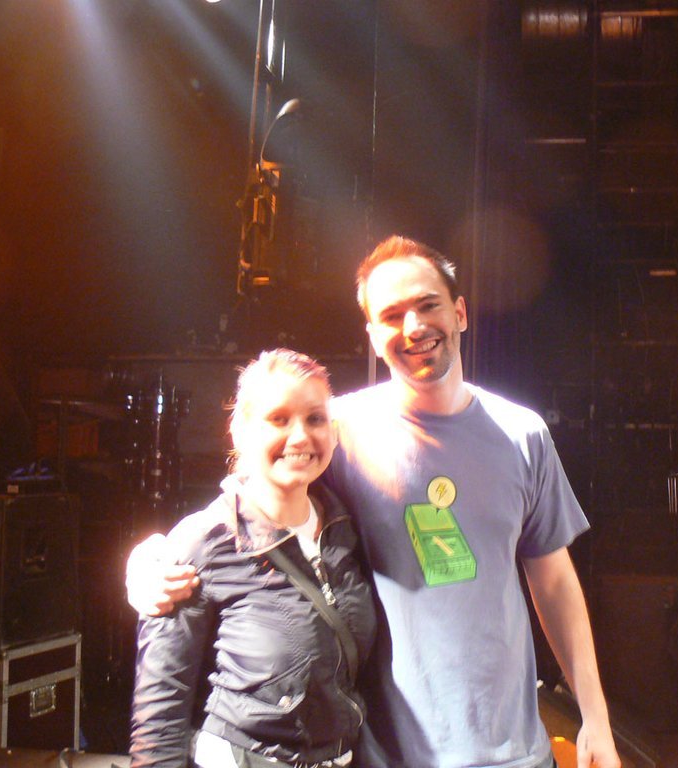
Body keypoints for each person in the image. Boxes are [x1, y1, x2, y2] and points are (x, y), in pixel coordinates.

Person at [128, 236, 621, 768]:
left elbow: (554, 581)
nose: (413, 327)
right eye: (391, 315)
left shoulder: (522, 435)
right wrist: (149, 559)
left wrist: (595, 716)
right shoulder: (335, 430)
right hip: (387, 755)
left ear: (459, 312)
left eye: (428, 305)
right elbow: (248, 507)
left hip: (514, 751)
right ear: (373, 336)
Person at [129, 350, 377, 768]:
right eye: (278, 419)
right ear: (240, 432)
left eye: (315, 419)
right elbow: (159, 719)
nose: (300, 437)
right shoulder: (204, 545)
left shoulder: (346, 528)